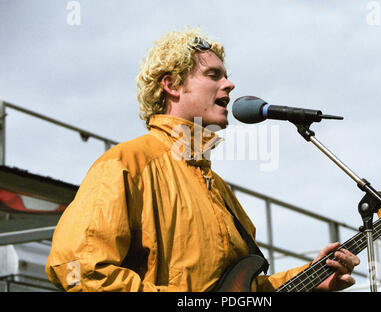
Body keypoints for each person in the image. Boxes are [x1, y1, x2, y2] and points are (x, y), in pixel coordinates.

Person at [45, 27, 360, 292]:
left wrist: (312, 278)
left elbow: (242, 293)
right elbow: (77, 267)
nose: (230, 85)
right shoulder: (126, 163)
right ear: (172, 86)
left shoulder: (220, 192)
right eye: (214, 75)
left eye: (227, 76)